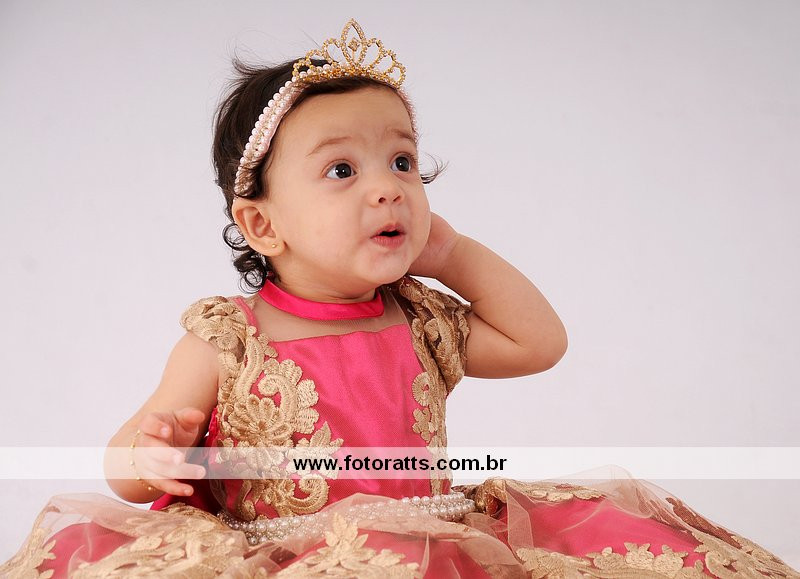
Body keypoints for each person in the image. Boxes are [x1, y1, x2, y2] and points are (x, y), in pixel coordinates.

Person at [2, 18, 797, 579]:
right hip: (277, 557)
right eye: (342, 169)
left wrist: (451, 253)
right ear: (262, 223)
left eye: (404, 162)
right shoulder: (228, 339)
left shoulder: (420, 320)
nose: (388, 188)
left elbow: (539, 342)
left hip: (431, 549)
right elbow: (125, 472)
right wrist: (155, 454)